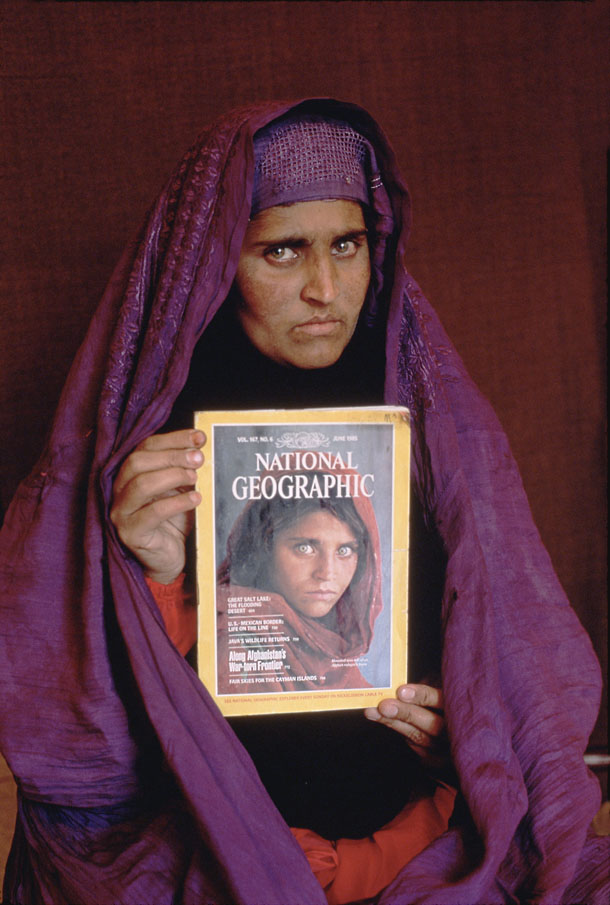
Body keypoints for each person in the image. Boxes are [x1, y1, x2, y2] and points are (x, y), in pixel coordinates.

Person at [0, 100, 607, 905]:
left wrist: (464, 733)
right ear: (219, 262)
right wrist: (150, 577)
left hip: (427, 846)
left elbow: (522, 663)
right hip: (217, 851)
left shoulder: (430, 420)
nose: (325, 289)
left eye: (347, 246)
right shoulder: (145, 446)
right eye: (283, 251)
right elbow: (76, 742)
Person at [216, 467, 382, 693]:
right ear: (265, 546)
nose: (327, 573)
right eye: (305, 548)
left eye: (344, 551)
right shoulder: (233, 649)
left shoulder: (330, 645)